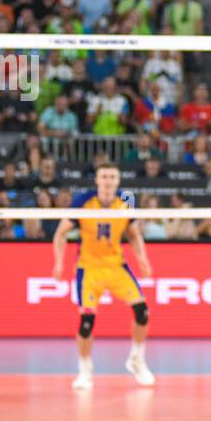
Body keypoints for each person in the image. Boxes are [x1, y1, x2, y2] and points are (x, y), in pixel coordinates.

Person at [51, 163, 155, 389]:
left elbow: (134, 235)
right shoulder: (83, 202)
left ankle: (137, 359)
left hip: (116, 266)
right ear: (97, 180)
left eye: (112, 177)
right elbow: (60, 233)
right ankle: (85, 370)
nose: (108, 181)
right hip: (89, 269)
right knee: (87, 322)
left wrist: (142, 259)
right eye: (104, 177)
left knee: (142, 311)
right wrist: (59, 262)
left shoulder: (125, 202)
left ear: (118, 181)